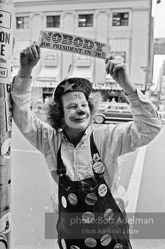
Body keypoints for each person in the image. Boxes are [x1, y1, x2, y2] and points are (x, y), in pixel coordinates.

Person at [11, 42, 161, 249]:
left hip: (111, 234)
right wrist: (25, 71)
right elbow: (22, 115)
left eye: (83, 105)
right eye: (72, 106)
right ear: (60, 115)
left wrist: (127, 85)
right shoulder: (49, 140)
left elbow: (150, 127)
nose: (81, 110)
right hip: (71, 234)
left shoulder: (107, 138)